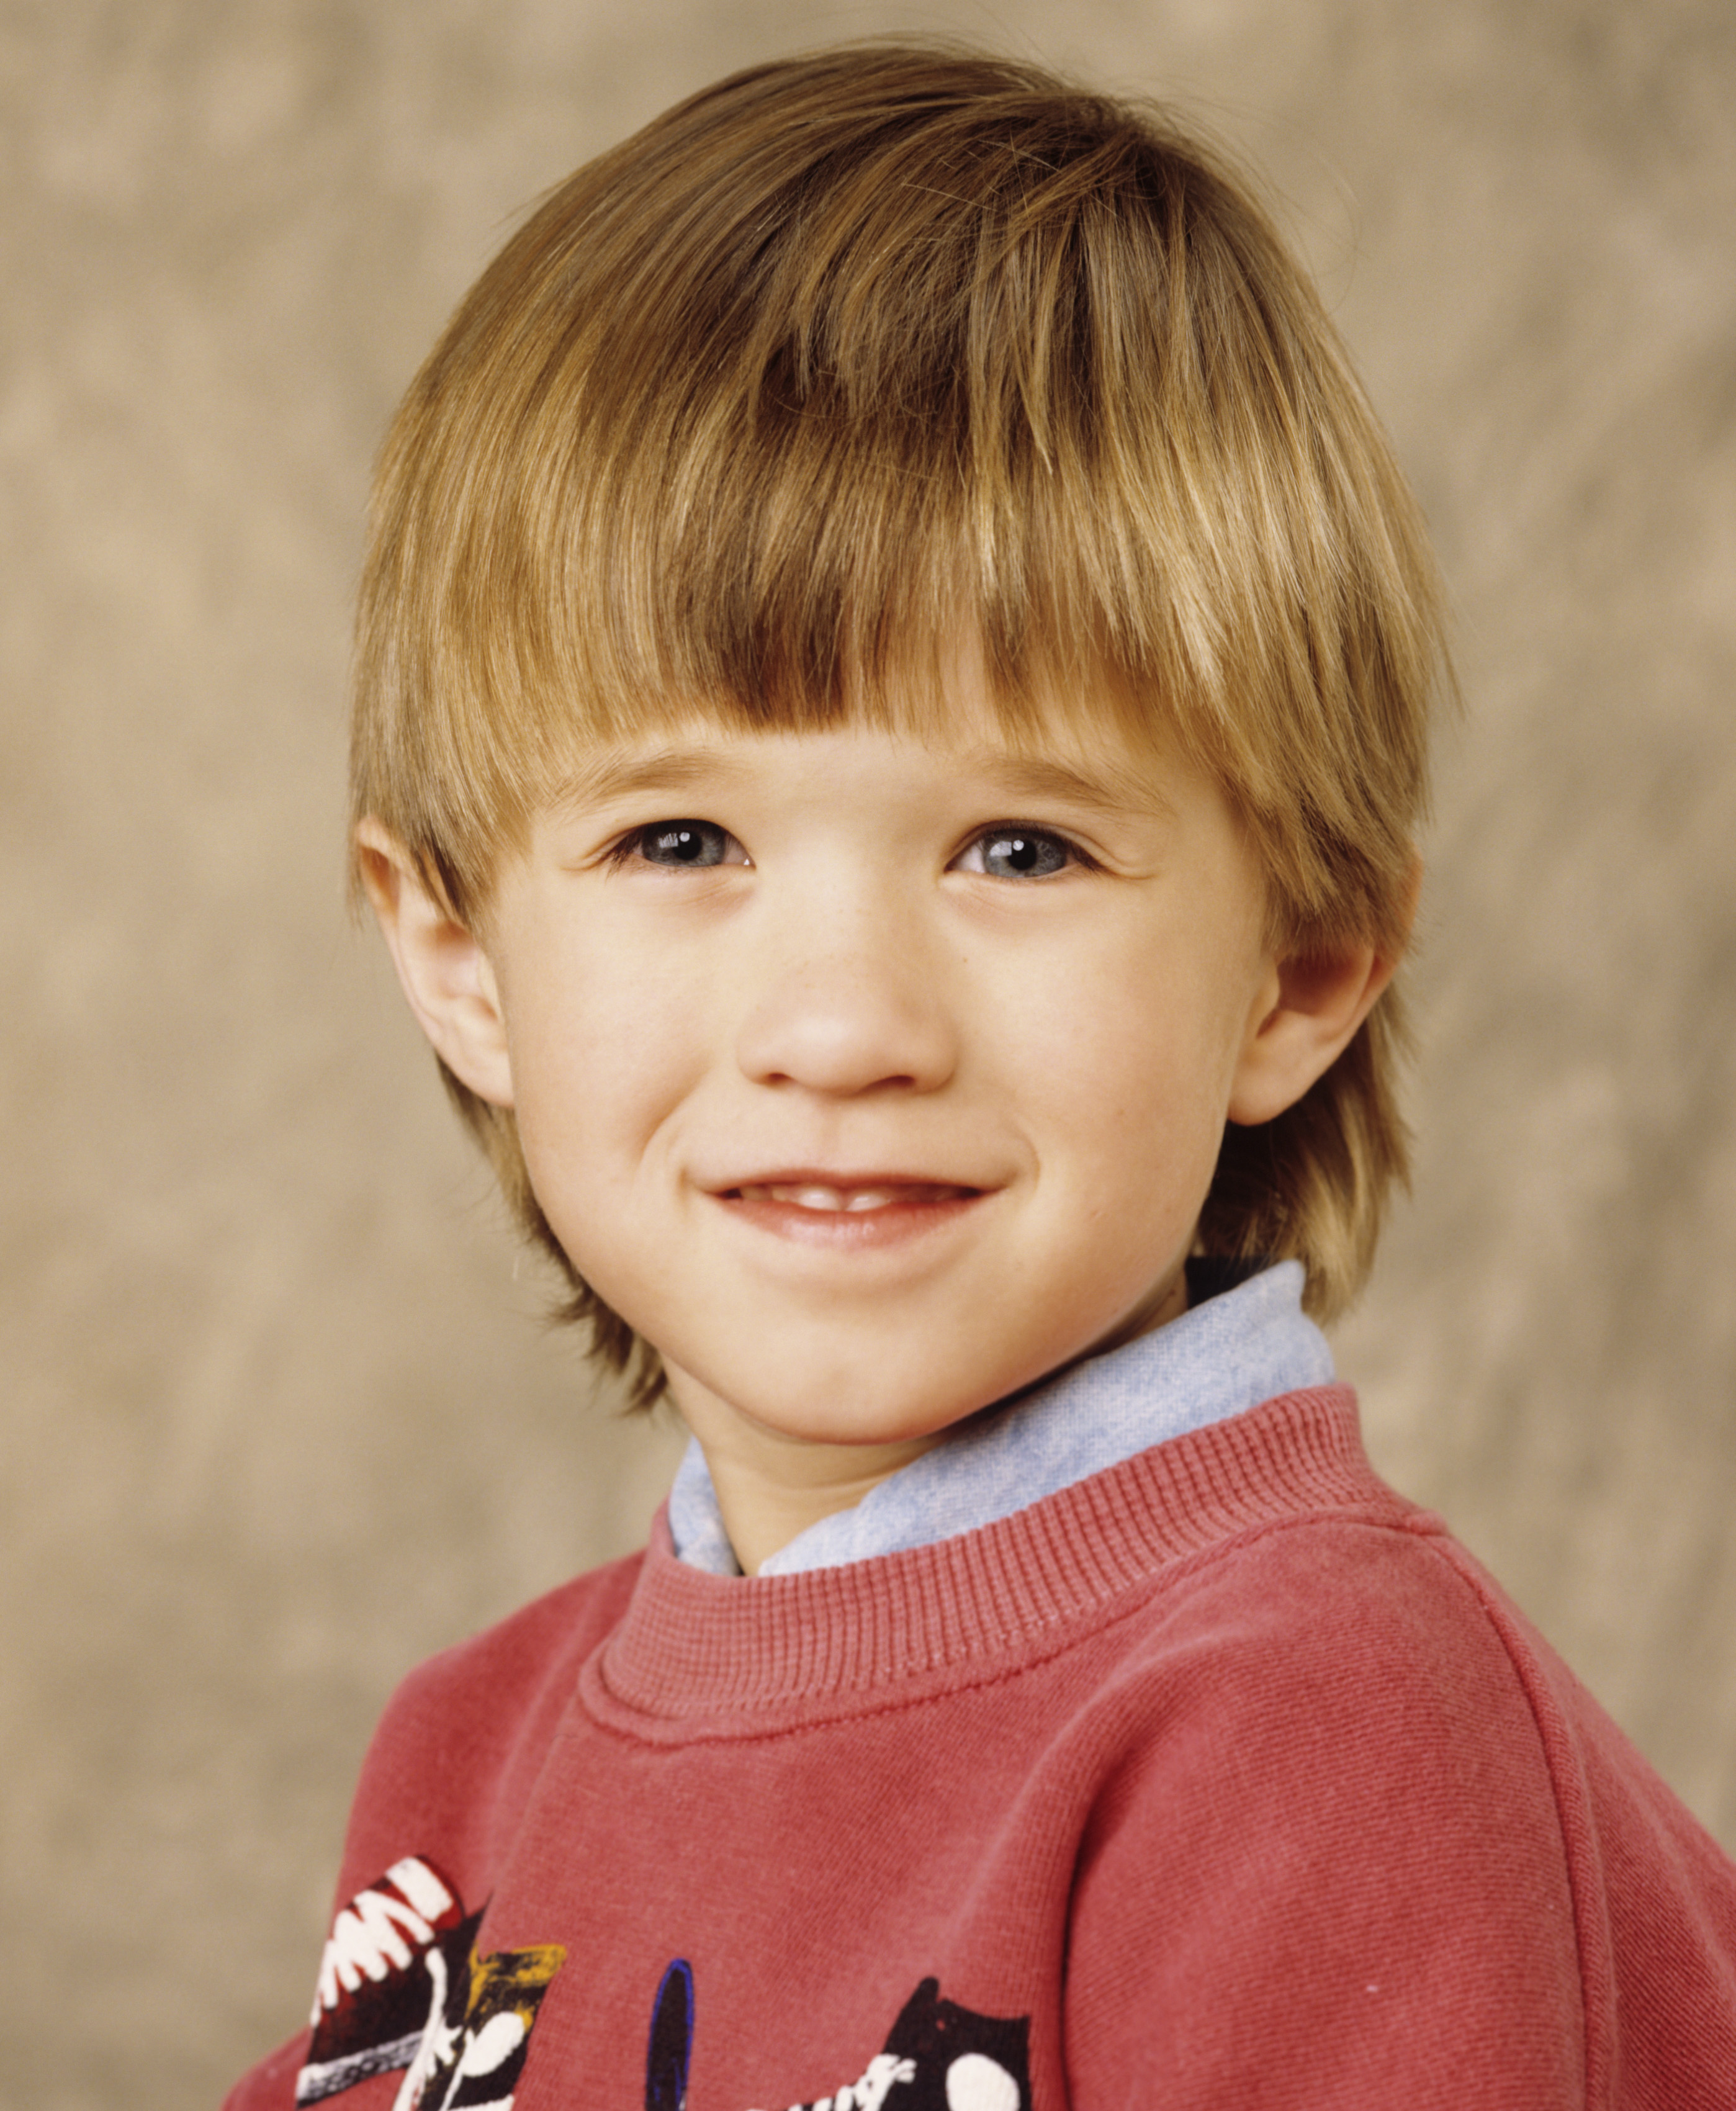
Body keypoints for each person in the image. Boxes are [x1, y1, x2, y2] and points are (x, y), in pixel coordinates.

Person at [224, 44, 1736, 2111]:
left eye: (1021, 848)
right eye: (683, 843)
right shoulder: (469, 1776)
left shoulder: (1320, 1731)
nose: (845, 1028)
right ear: (460, 956)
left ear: (1299, 965)